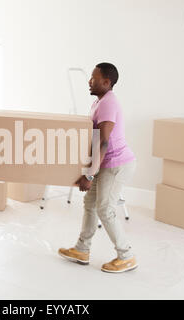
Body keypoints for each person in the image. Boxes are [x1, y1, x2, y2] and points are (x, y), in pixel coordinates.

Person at [58, 62, 137, 273]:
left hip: (117, 164)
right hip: (105, 163)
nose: (89, 81)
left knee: (105, 209)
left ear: (106, 82)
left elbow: (102, 142)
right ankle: (82, 249)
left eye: (93, 78)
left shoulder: (108, 103)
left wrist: (89, 176)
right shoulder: (99, 102)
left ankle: (126, 255)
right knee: (90, 203)